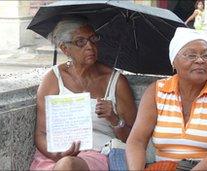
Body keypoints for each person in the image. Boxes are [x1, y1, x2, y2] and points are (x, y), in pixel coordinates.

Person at [126, 27, 207, 170]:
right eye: (191, 55)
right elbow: (136, 141)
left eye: (206, 55)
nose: (200, 60)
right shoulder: (156, 91)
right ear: (173, 62)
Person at [30, 16, 137, 170]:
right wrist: (57, 155)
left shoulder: (116, 82)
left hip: (96, 154)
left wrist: (114, 119)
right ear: (64, 48)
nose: (90, 46)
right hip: (53, 156)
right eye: (80, 42)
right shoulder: (53, 78)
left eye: (93, 39)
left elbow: (135, 139)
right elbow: (41, 134)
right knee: (65, 163)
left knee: (68, 165)